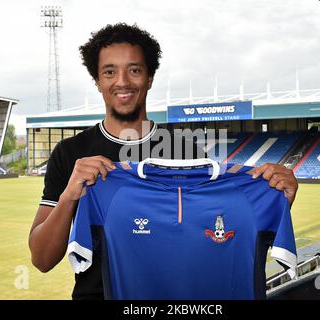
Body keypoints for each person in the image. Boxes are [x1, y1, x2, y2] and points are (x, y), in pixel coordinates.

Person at [28, 22, 299, 300]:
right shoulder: (71, 153)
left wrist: (275, 201)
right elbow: (42, 259)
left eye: (134, 70)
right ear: (97, 81)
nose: (122, 81)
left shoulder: (184, 150)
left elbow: (215, 236)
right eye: (109, 72)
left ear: (149, 78)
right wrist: (69, 196)